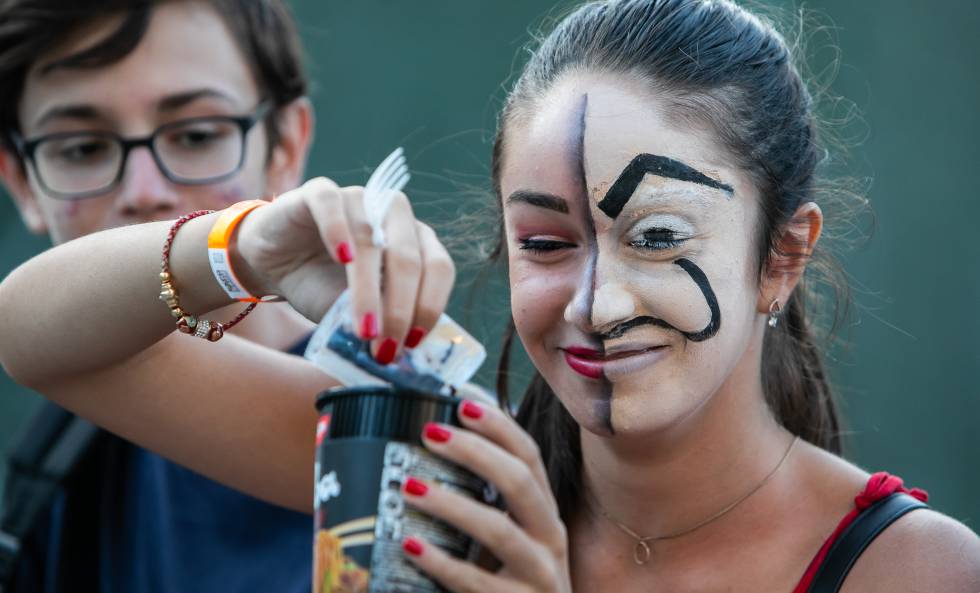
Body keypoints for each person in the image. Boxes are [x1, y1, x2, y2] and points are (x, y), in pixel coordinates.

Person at [1, 0, 978, 591]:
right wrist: (249, 243)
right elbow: (36, 335)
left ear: (779, 255)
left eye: (656, 237)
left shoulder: (915, 569)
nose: (593, 301)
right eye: (545, 241)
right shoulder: (441, 471)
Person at [0, 1, 320, 591]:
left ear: (286, 146)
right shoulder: (55, 461)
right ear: (20, 180)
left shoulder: (390, 416)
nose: (143, 192)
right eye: (82, 148)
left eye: (197, 135)